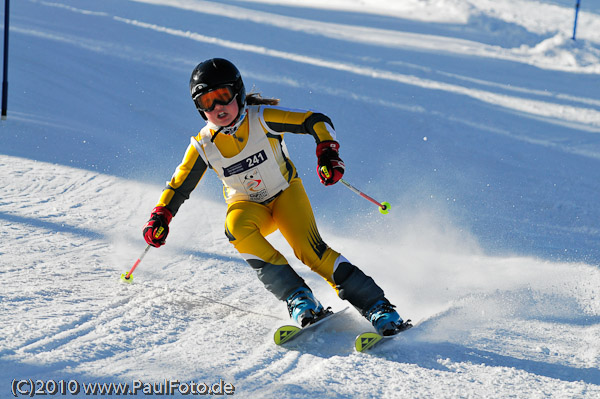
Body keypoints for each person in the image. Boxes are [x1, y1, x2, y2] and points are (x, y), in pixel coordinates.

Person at [143, 58, 411, 336]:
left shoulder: (261, 118)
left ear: (237, 91)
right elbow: (178, 186)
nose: (217, 108)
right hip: (248, 206)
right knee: (235, 228)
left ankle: (378, 307)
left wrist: (328, 152)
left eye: (222, 97)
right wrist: (160, 216)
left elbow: (316, 120)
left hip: (285, 195)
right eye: (207, 102)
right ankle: (298, 297)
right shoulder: (203, 145)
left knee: (310, 253)